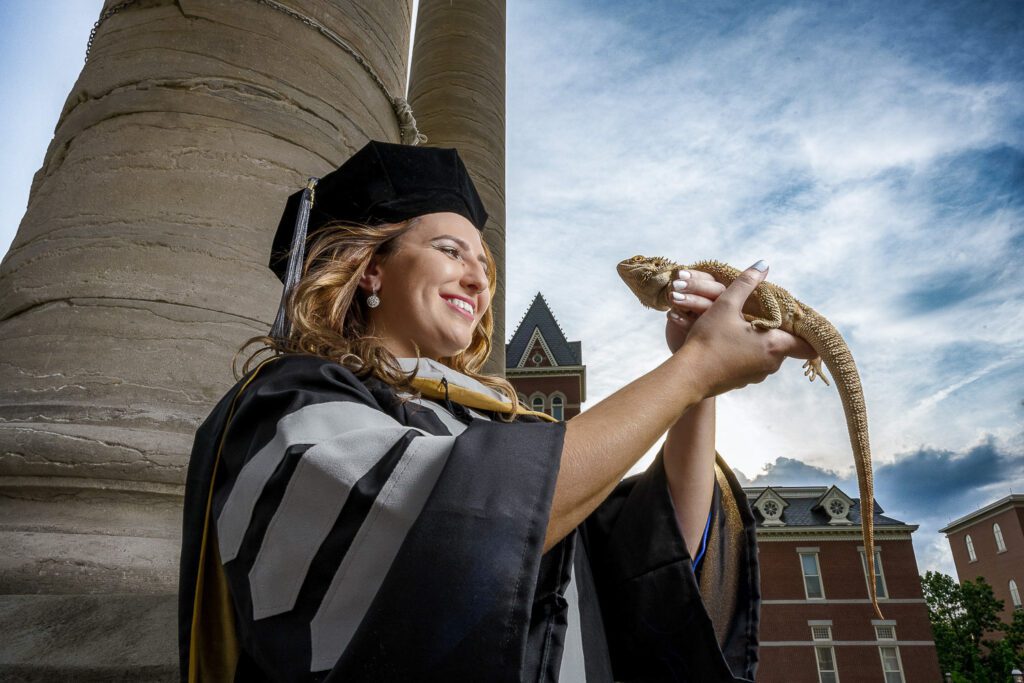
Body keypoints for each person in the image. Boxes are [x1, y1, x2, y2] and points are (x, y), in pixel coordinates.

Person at [178, 141, 814, 682]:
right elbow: (456, 528)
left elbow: (653, 556)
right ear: (370, 268)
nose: (481, 281)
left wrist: (697, 384)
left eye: (485, 264)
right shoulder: (292, 402)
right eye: (453, 251)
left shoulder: (497, 427)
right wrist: (693, 367)